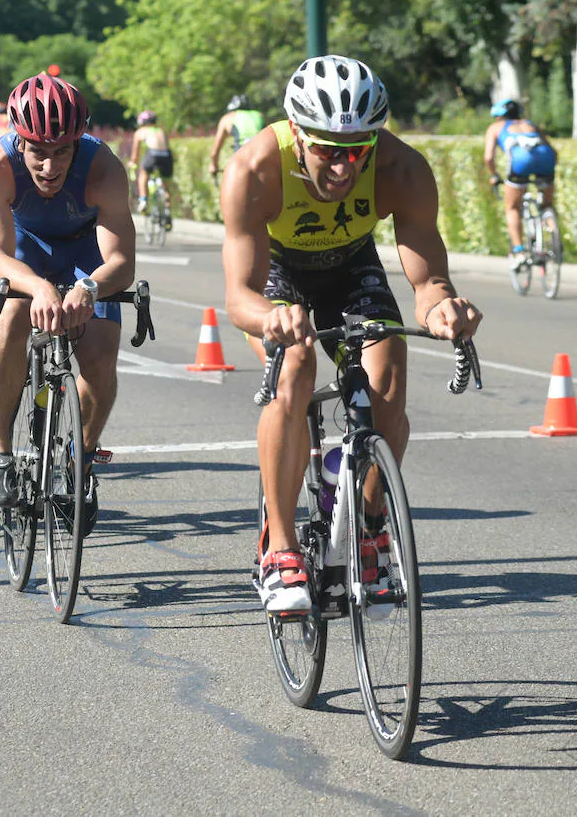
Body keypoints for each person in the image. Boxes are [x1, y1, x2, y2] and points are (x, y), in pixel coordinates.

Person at [220, 55, 482, 613]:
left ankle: (367, 525)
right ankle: (280, 547)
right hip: (279, 272)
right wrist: (270, 317)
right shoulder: (256, 168)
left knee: (387, 374)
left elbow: (429, 277)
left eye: (358, 150)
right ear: (296, 133)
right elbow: (238, 295)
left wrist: (440, 308)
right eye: (327, 151)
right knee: (295, 366)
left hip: (350, 264)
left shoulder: (402, 169)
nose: (343, 168)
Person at [0, 73, 135, 534]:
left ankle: (78, 461)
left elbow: (121, 260)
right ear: (18, 142)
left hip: (87, 256)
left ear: (78, 142)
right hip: (22, 250)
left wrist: (89, 289)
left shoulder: (102, 167)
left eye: (61, 151)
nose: (49, 166)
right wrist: (39, 287)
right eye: (37, 152)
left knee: (100, 360)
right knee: (10, 315)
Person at [484, 98, 557, 268]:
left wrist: (494, 175)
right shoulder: (530, 124)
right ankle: (554, 236)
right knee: (547, 205)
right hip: (546, 159)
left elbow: (488, 157)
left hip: (521, 162)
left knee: (513, 207)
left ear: (497, 116)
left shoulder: (495, 128)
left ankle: (519, 252)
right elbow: (553, 151)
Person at [207, 94, 266, 178]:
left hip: (242, 157)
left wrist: (214, 166)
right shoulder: (260, 115)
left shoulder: (227, 118)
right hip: (263, 154)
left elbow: (215, 151)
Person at [128, 110, 172, 222]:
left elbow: (135, 154)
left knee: (143, 175)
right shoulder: (161, 131)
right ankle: (167, 208)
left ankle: (143, 200)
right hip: (167, 156)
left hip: (152, 154)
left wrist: (132, 162)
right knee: (165, 183)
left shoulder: (140, 132)